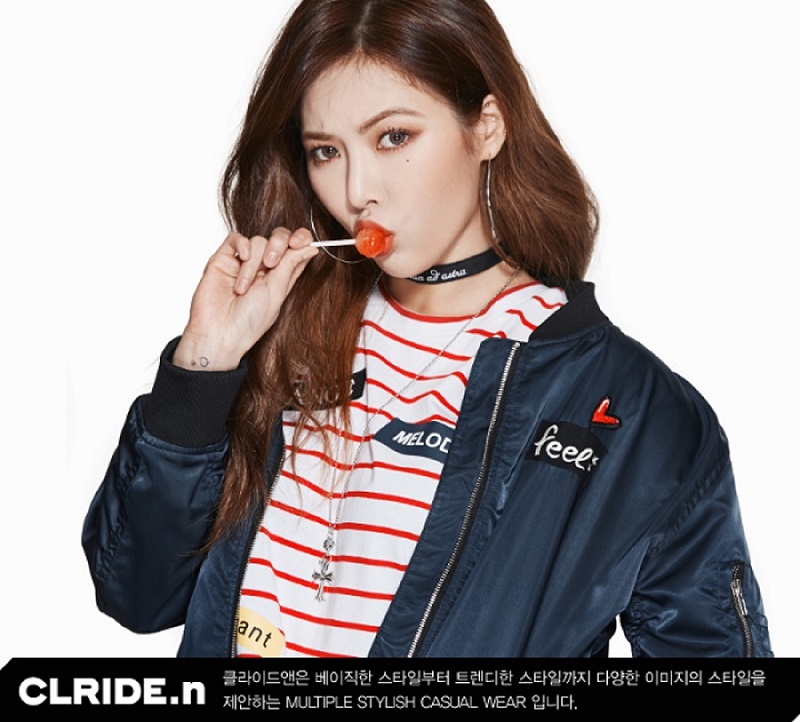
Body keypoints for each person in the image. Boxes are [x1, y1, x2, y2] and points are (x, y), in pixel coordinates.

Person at [82, 0, 771, 658]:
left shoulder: (635, 411)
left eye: (394, 137)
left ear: (488, 127)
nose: (358, 191)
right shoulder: (278, 339)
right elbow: (136, 594)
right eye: (326, 151)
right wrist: (204, 364)